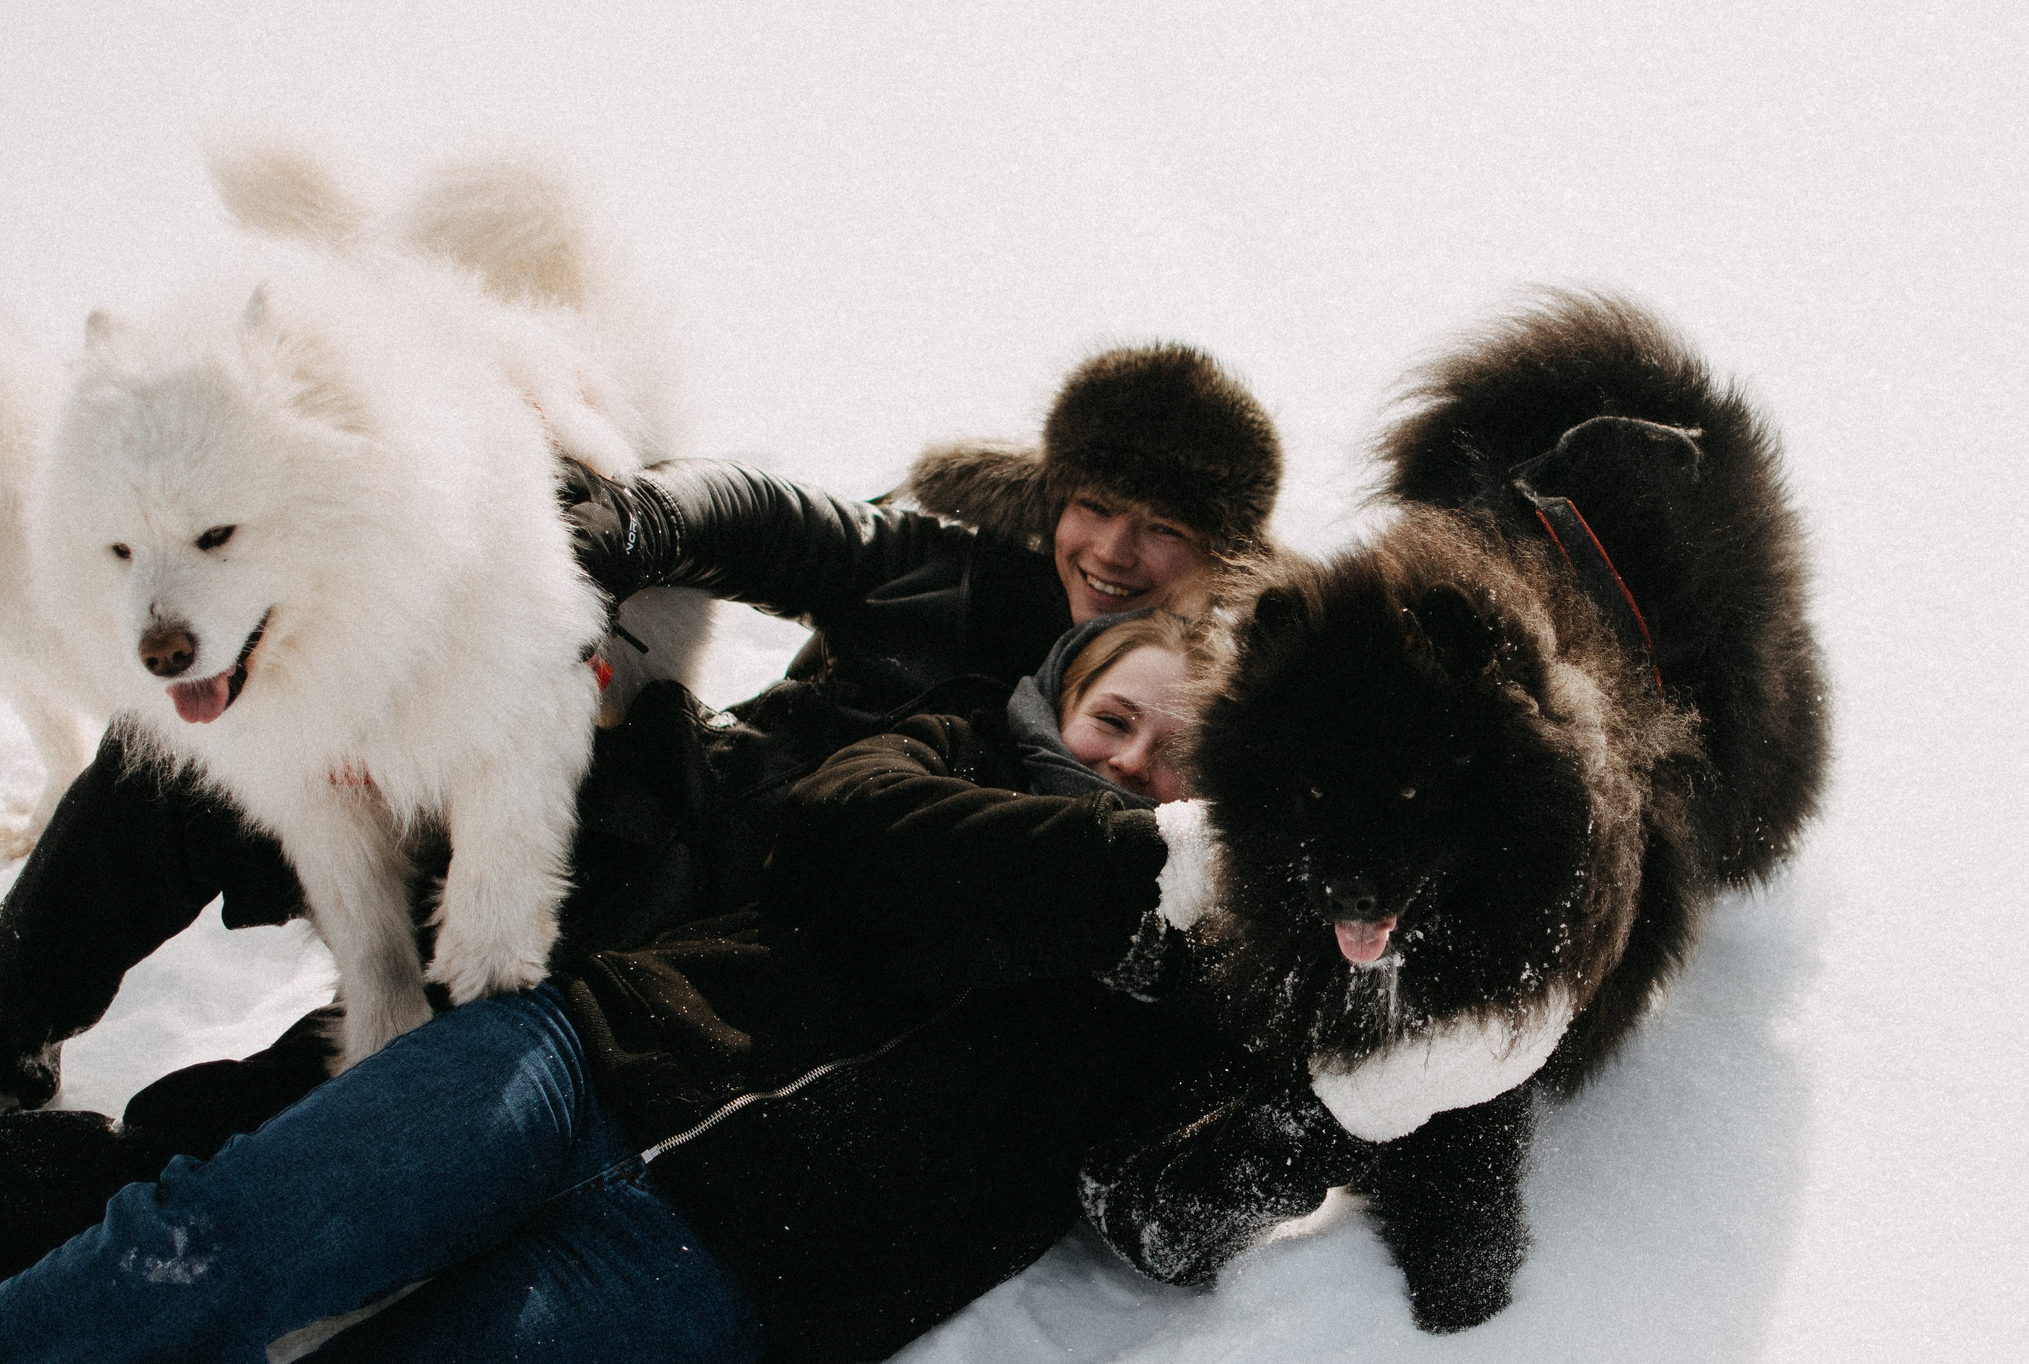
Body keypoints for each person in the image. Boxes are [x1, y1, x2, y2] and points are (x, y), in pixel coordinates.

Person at [0, 611, 1243, 1364]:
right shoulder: (960, 746)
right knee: (219, 1245)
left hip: (734, 1265)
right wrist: (1144, 864)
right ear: (1060, 697)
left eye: (1174, 750)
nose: (1130, 761)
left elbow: (1169, 1211)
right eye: (1112, 718)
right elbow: (843, 839)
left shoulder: (1214, 976)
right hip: (587, 1055)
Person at [0, 340, 1281, 1125]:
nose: (1114, 551)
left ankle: (89, 1208)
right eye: (1097, 504)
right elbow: (762, 513)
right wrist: (603, 543)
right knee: (200, 761)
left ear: (1216, 558)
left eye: (1159, 529)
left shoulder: (1182, 737)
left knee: (325, 1110)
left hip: (700, 952)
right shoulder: (950, 574)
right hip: (645, 787)